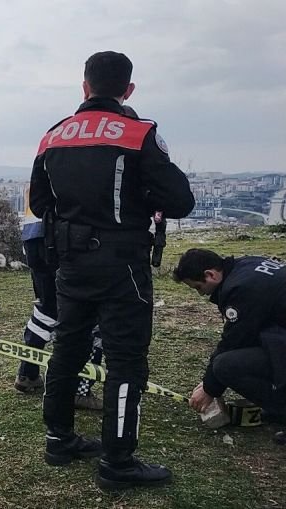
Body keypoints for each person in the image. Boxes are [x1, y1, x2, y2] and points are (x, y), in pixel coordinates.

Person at [29, 51, 194, 490]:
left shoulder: (53, 136)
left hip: (70, 263)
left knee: (68, 348)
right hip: (123, 264)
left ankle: (58, 440)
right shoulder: (138, 133)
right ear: (128, 90)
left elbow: (39, 204)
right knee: (125, 361)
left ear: (84, 86)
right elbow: (180, 201)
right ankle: (117, 464)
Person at [174, 249, 286, 443]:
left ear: (211, 274)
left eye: (198, 287)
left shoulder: (241, 288)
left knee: (226, 366)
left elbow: (233, 342)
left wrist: (209, 387)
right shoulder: (248, 263)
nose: (201, 294)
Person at [14, 211, 104, 411]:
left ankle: (27, 373)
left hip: (33, 237)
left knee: (46, 312)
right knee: (92, 316)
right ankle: (80, 391)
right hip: (63, 238)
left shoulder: (40, 178)